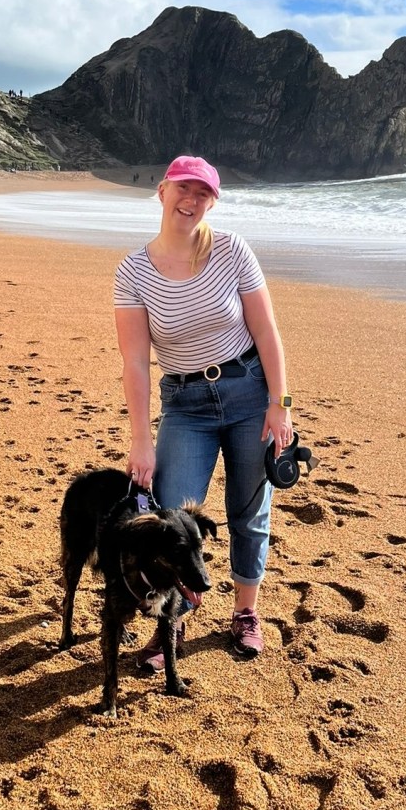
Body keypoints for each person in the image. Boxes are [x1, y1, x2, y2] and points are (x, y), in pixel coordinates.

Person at [114, 155, 292, 670]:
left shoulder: (232, 250)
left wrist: (280, 406)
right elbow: (135, 361)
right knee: (168, 512)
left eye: (204, 193)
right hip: (185, 403)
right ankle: (171, 619)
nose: (191, 201)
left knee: (247, 512)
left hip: (247, 393)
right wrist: (141, 438)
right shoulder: (133, 271)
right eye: (183, 189)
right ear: (162, 190)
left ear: (213, 201)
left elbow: (266, 332)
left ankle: (245, 613)